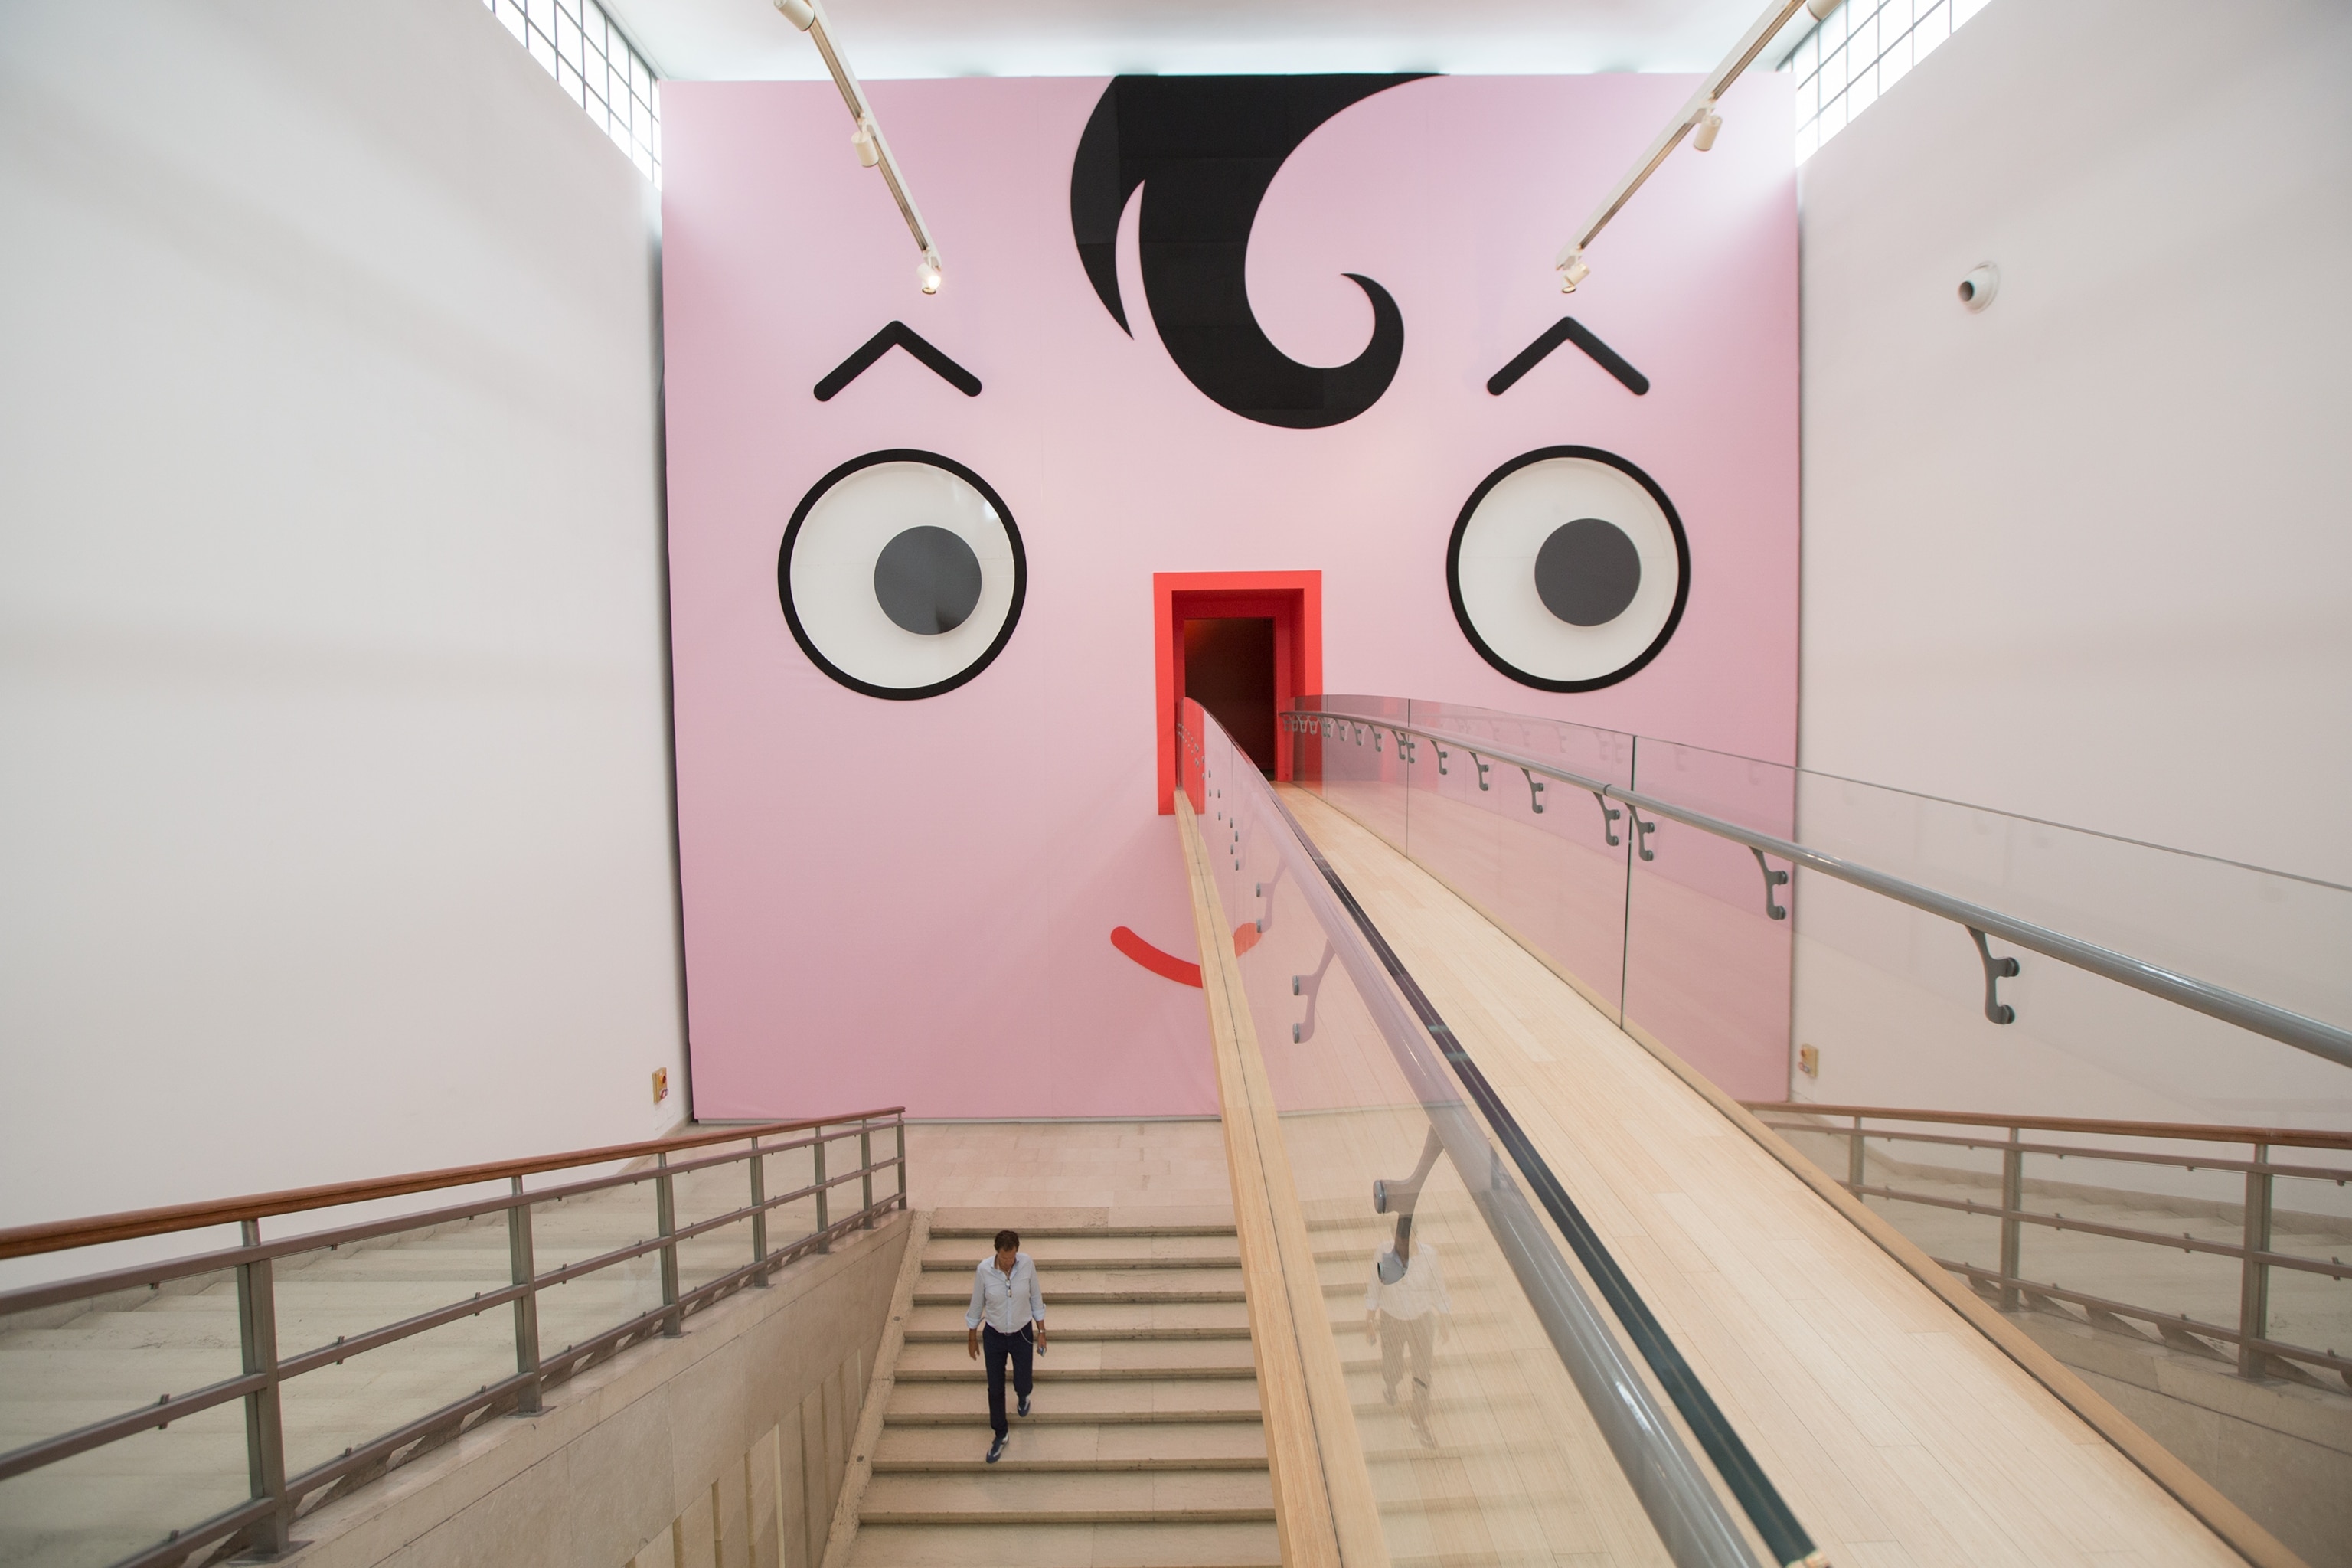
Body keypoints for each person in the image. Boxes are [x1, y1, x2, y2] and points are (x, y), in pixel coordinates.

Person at [1364, 1214, 1449, 1448]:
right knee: (1392, 1363)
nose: (1402, 1244)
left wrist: (1444, 1320)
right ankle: (1391, 1385)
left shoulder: (1430, 1256)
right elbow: (1375, 1285)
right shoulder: (1384, 1253)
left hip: (1421, 1320)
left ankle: (1419, 1420)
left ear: (1415, 1236)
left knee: (1423, 1371)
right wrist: (1370, 1321)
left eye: (1407, 1239)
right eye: (1398, 1239)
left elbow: (1438, 1287)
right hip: (1392, 1318)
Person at [965, 1227, 1047, 1463]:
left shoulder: (1027, 1264)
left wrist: (1042, 1331)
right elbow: (976, 1303)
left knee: (1023, 1380)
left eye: (1012, 1258)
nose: (1009, 1263)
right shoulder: (984, 1271)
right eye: (1004, 1258)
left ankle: (1023, 1395)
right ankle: (1000, 1433)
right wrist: (972, 1337)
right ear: (997, 1253)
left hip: (1021, 1332)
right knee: (996, 1388)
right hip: (995, 1336)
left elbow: (1036, 1297)